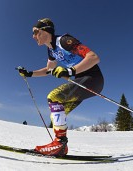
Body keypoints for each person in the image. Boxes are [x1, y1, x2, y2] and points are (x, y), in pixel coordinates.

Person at [18, 18, 104, 156]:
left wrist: (70, 71)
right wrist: (29, 74)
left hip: (93, 79)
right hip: (80, 81)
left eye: (36, 32)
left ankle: (59, 144)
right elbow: (48, 69)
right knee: (56, 115)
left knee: (53, 97)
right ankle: (61, 146)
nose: (33, 36)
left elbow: (93, 57)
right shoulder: (51, 51)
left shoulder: (64, 41)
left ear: (46, 30)